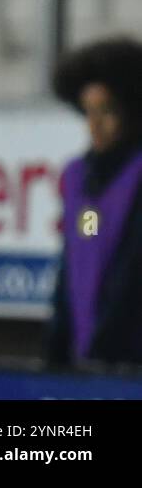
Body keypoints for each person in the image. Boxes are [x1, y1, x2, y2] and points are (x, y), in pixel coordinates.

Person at [47, 36, 142, 369]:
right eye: (88, 111)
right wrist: (58, 344)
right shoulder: (77, 177)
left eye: (107, 111)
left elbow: (132, 270)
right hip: (83, 359)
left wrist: (109, 344)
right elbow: (73, 258)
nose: (95, 124)